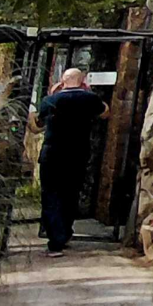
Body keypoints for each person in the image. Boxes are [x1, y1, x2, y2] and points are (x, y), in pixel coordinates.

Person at [33, 68, 107, 258]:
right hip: (77, 154)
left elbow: (38, 123)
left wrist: (52, 93)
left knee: (51, 195)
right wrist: (89, 91)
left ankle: (54, 240)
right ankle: (64, 232)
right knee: (70, 193)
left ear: (62, 81)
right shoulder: (90, 99)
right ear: (83, 82)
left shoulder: (50, 100)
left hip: (52, 154)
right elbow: (106, 112)